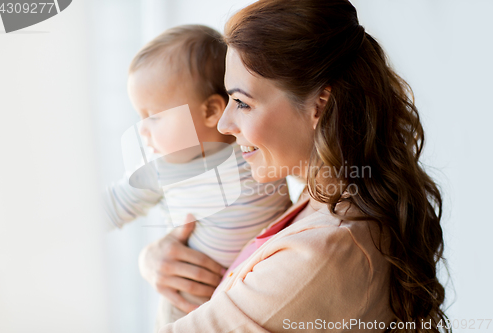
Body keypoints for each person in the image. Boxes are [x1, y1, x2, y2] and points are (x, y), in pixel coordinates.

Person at [147, 1, 450, 332]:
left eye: (242, 103)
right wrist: (158, 259)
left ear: (320, 105)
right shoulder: (322, 200)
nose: (223, 124)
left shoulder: (324, 253)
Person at [102, 25, 291, 329]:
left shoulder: (256, 150)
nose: (142, 129)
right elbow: (110, 207)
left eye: (153, 116)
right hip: (187, 301)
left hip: (248, 298)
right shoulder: (161, 170)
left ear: (210, 112)